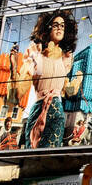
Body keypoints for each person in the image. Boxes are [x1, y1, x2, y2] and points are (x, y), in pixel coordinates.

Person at [19, 11, 82, 149]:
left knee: (49, 154)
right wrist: (15, 70)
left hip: (56, 114)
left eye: (62, 26)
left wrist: (78, 80)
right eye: (55, 25)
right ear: (47, 28)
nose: (60, 28)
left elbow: (66, 91)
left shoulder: (65, 59)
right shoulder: (38, 53)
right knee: (33, 150)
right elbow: (21, 87)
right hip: (38, 109)